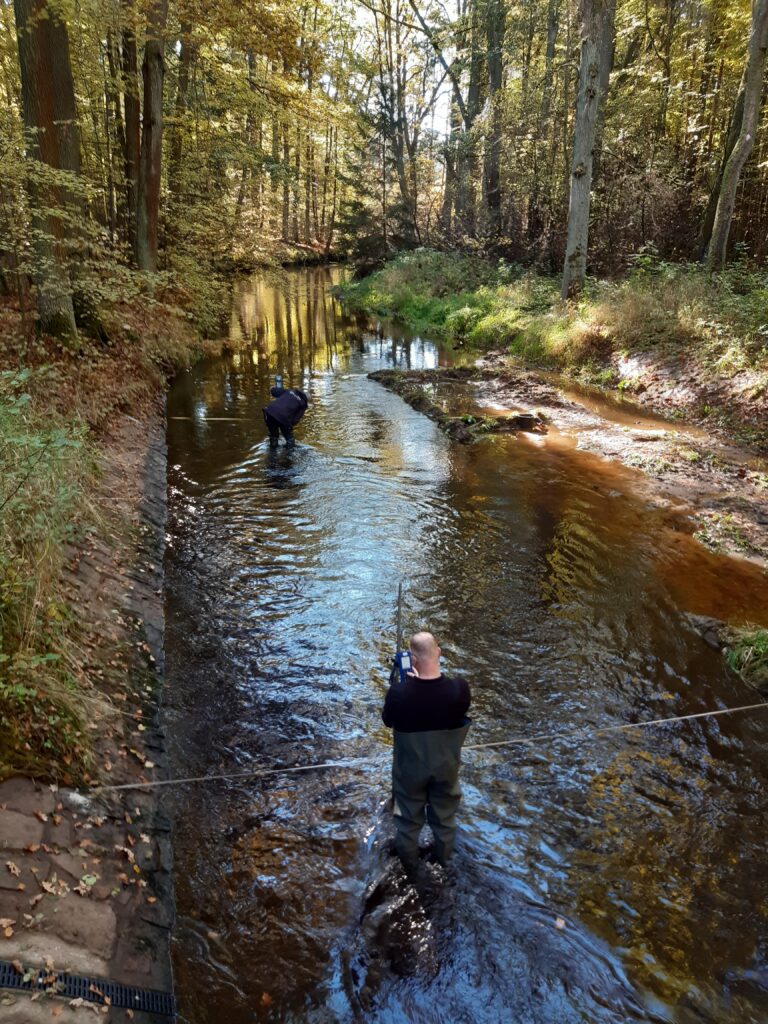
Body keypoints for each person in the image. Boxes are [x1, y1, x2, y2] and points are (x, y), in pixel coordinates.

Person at [381, 631, 471, 871]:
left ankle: (410, 869)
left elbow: (388, 720)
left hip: (410, 773)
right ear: (439, 653)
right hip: (446, 770)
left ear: (413, 659)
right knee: (445, 820)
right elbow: (442, 697)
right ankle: (444, 864)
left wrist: (405, 683)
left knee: (407, 822)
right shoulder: (459, 691)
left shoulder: (399, 695)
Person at [263, 383, 309, 448]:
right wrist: (289, 427)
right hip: (283, 417)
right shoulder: (303, 404)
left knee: (273, 436)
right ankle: (288, 455)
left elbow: (275, 392)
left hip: (269, 412)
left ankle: (272, 454)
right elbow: (296, 419)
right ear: (306, 399)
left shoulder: (290, 391)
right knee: (290, 439)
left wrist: (272, 389)